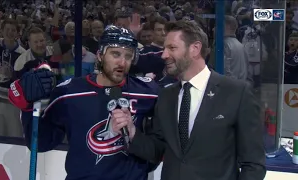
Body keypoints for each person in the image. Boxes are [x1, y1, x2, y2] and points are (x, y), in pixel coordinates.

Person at [111, 20, 266, 180]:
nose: (164, 55)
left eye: (172, 48)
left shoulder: (236, 92)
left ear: (195, 49)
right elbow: (158, 150)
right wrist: (132, 132)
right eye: (165, 48)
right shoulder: (166, 95)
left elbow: (253, 164)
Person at [8, 25, 159, 180]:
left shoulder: (148, 92)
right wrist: (27, 108)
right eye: (116, 54)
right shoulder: (68, 93)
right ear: (100, 55)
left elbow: (160, 144)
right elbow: (41, 143)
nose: (122, 62)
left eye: (128, 56)